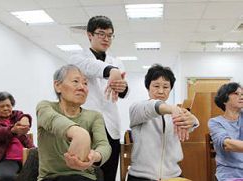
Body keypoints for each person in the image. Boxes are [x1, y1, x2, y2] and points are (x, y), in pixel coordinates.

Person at [68, 15, 129, 181]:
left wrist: (123, 87)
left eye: (110, 35)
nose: (106, 39)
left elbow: (123, 91)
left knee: (109, 174)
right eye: (101, 34)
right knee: (87, 173)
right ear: (89, 35)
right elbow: (90, 66)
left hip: (111, 127)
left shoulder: (117, 61)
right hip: (87, 127)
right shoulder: (77, 58)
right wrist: (111, 70)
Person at [36, 64, 111, 181]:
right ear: (58, 86)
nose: (82, 87)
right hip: (51, 177)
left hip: (84, 176)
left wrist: (94, 156)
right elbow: (53, 120)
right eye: (75, 81)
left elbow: (104, 145)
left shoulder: (95, 116)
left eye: (85, 83)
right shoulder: (45, 107)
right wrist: (79, 133)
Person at [127, 64, 199, 180]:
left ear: (170, 89)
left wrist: (192, 120)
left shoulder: (176, 113)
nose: (161, 91)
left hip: (173, 175)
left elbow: (193, 123)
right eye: (156, 86)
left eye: (166, 87)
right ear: (148, 87)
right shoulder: (137, 108)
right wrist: (172, 109)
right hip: (141, 176)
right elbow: (151, 107)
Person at [0, 91, 33, 181]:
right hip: (7, 160)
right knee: (5, 177)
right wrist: (12, 130)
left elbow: (23, 116)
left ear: (12, 105)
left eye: (8, 105)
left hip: (28, 158)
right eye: (1, 106)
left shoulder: (16, 116)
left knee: (49, 170)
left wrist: (25, 119)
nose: (6, 108)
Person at [208, 82, 243, 181]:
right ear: (224, 99)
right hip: (230, 174)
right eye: (236, 94)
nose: (241, 97)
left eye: (242, 94)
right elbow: (228, 145)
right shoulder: (215, 122)